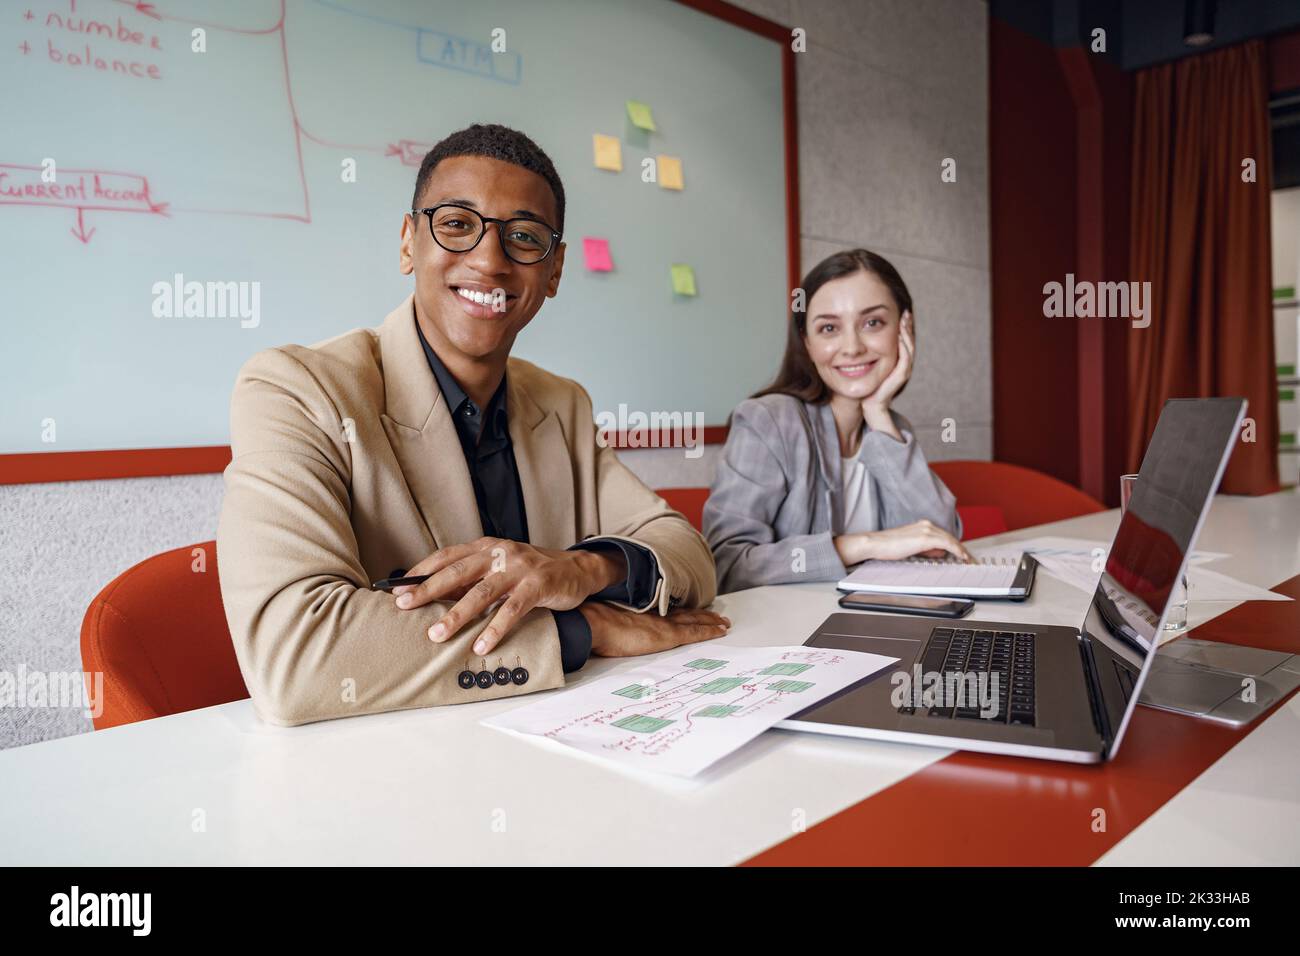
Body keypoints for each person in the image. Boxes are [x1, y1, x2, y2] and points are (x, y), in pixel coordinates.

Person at [217, 124, 727, 726]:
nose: (490, 260)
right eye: (457, 224)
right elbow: (296, 657)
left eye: (524, 237)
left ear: (555, 270)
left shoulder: (561, 403)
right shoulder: (296, 389)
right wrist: (578, 626)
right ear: (409, 243)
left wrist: (583, 569)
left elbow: (684, 550)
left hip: (569, 735)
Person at [704, 248, 968, 593]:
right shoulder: (768, 421)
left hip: (876, 624)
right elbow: (725, 565)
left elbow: (941, 543)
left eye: (872, 323)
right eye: (829, 328)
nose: (852, 346)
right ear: (807, 343)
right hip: (790, 637)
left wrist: (877, 414)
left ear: (905, 330)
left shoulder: (893, 429)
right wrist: (864, 544)